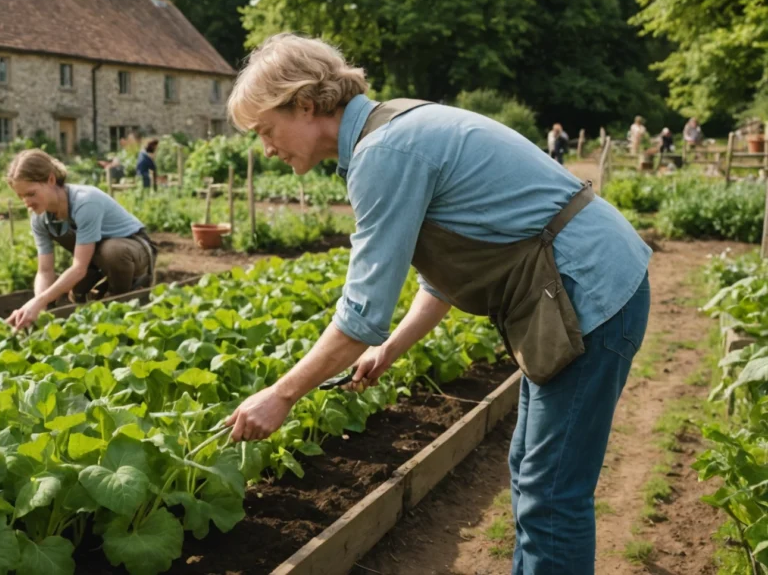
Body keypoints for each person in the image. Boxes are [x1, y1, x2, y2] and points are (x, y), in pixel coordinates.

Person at [222, 33, 650, 575]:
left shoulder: (384, 152)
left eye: (265, 129)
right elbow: (445, 276)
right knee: (530, 470)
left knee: (552, 495)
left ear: (305, 104)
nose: (266, 148)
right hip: (580, 287)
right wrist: (392, 349)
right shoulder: (395, 126)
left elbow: (361, 316)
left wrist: (281, 396)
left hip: (589, 293)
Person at [5, 149, 157, 329]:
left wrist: (39, 302)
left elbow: (78, 268)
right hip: (95, 258)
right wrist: (40, 305)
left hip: (135, 249)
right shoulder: (40, 219)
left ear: (51, 180)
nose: (26, 202)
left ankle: (123, 300)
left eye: (31, 194)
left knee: (112, 252)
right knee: (75, 292)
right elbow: (45, 271)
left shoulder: (85, 202)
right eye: (21, 196)